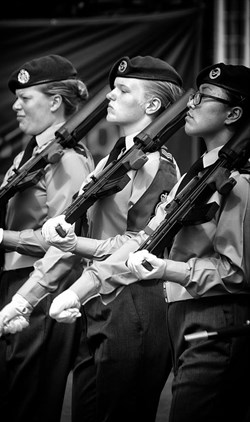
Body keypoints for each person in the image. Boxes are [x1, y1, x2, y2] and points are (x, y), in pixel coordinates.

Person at [43, 63, 250, 422]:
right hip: (181, 316)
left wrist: (167, 268)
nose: (192, 103)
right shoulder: (196, 175)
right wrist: (75, 245)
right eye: (193, 95)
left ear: (233, 113)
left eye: (204, 98)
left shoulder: (239, 183)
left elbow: (236, 274)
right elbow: (143, 240)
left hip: (216, 317)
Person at [0, 56, 184, 421]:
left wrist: (76, 286)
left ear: (153, 105)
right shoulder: (110, 162)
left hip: (133, 305)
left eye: (123, 90)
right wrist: (25, 298)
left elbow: (136, 244)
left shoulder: (156, 164)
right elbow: (73, 238)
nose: (109, 96)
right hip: (94, 303)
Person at [0, 54, 95, 422]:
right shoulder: (32, 154)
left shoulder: (67, 158)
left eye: (25, 98)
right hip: (18, 284)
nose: (15, 105)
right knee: (9, 403)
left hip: (42, 286)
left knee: (28, 405)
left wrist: (2, 237)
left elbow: (63, 239)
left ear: (55, 102)